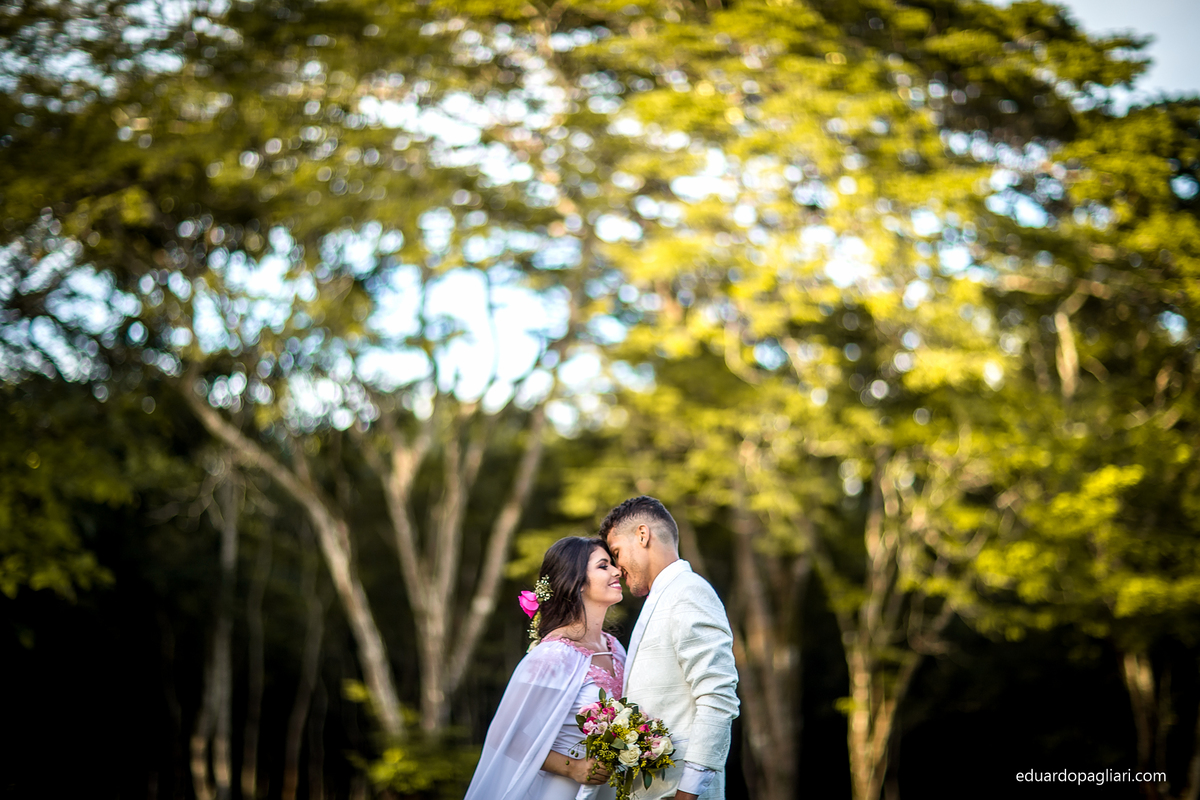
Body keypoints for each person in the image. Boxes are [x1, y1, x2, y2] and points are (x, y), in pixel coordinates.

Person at [464, 536, 627, 800]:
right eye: (603, 566)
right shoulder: (553, 655)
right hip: (562, 790)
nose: (617, 570)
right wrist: (573, 767)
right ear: (577, 582)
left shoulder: (615, 648)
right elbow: (507, 736)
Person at [600, 497, 739, 800]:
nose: (617, 568)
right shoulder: (661, 598)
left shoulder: (689, 592)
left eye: (616, 552)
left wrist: (688, 792)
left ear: (642, 535)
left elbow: (718, 696)